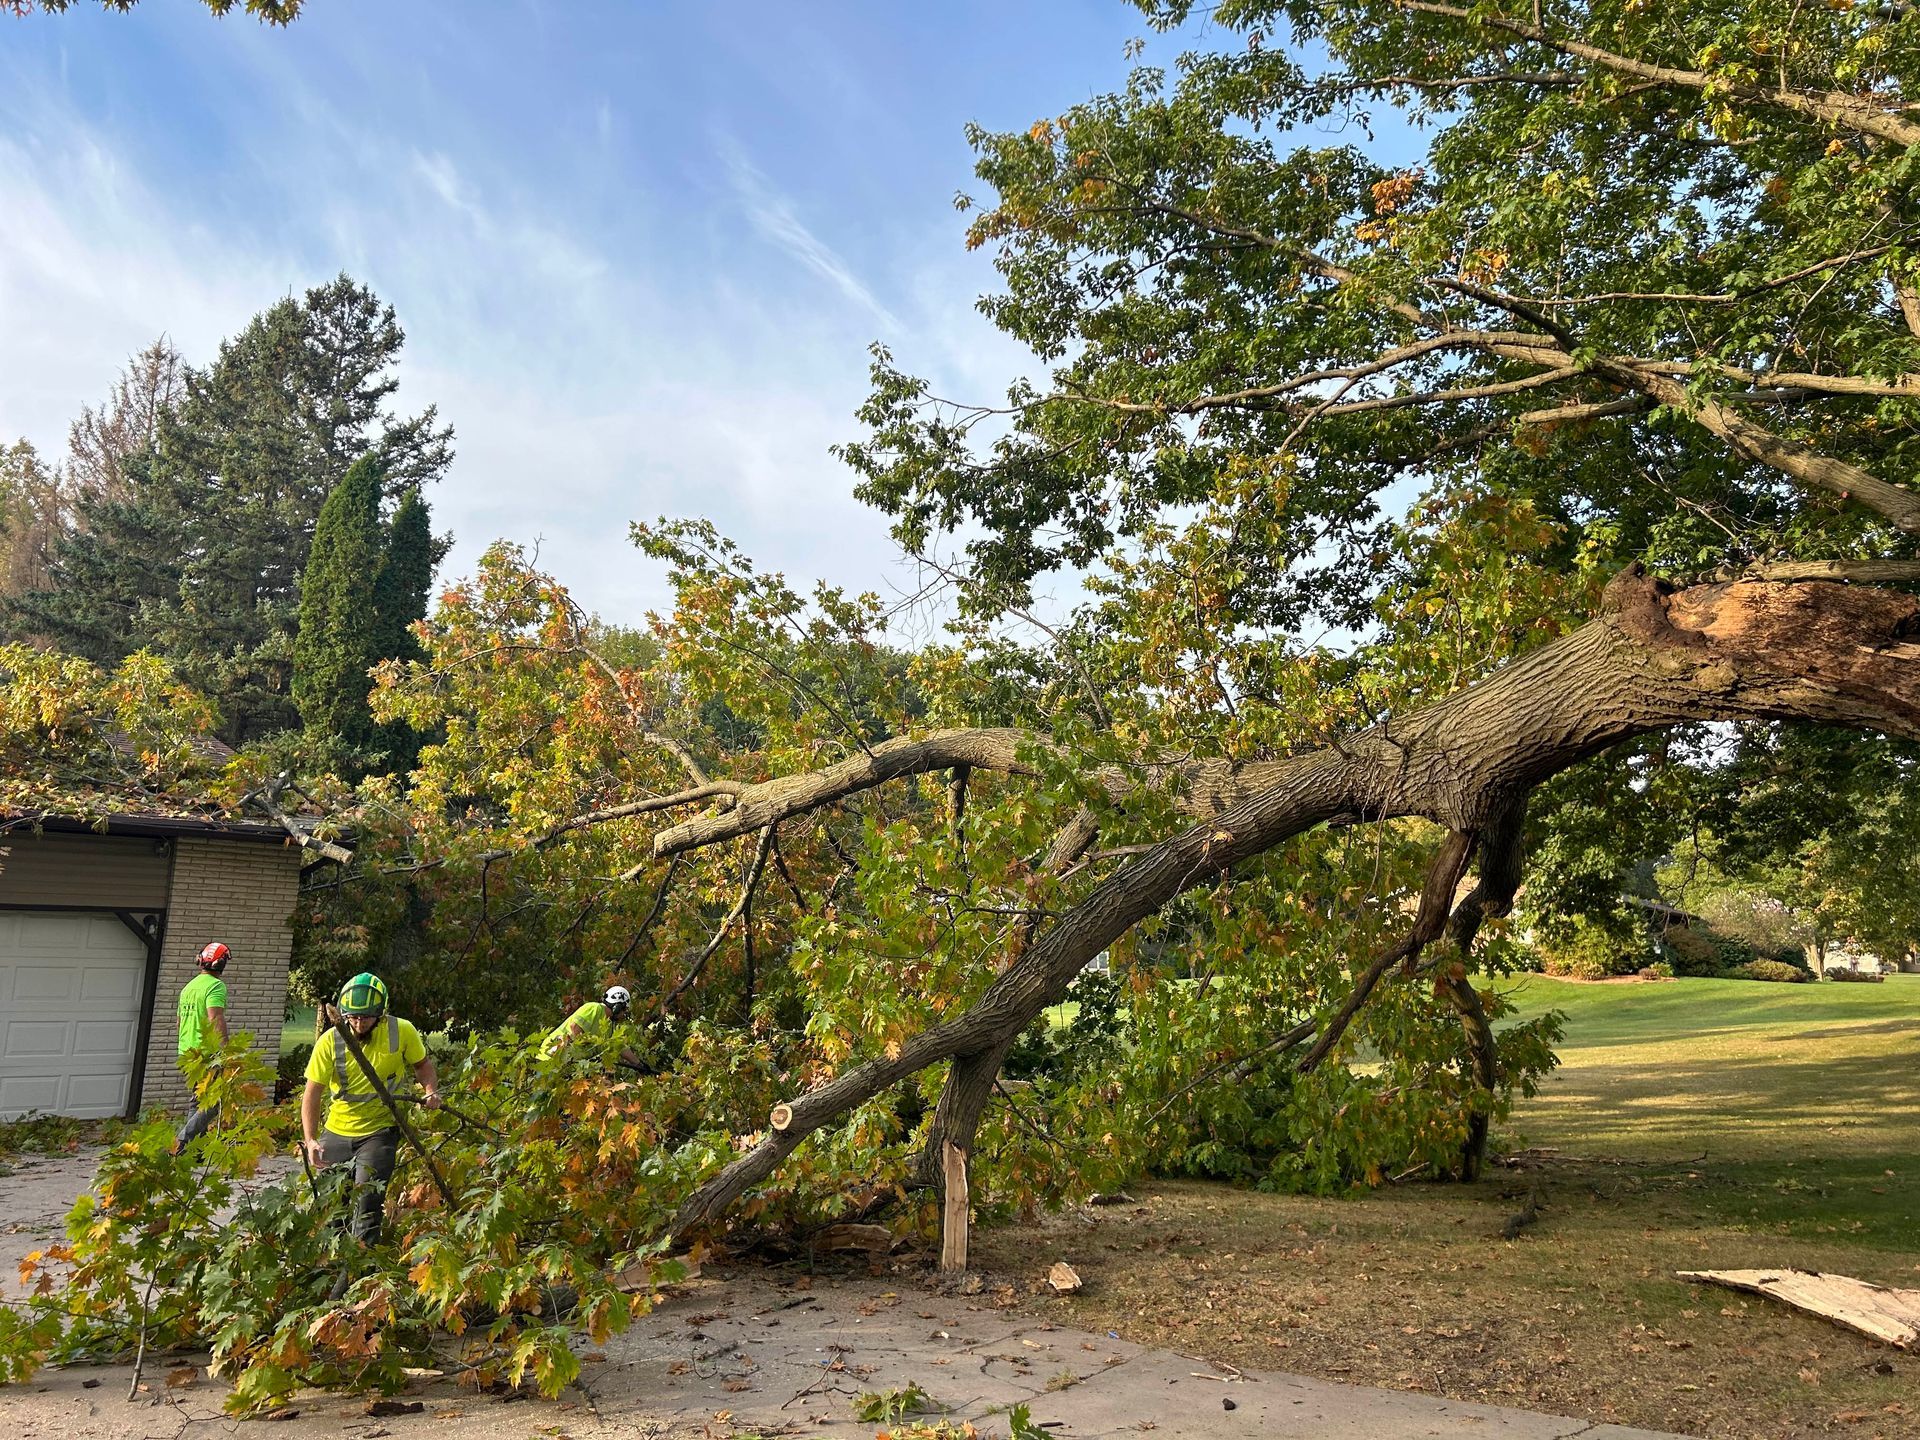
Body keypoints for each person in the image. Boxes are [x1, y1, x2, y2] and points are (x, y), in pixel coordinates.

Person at [301, 973, 440, 1265]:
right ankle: (330, 1268)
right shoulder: (330, 1041)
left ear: (381, 1013)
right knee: (332, 1208)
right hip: (336, 1131)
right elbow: (312, 1093)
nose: (359, 1024)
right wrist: (311, 1140)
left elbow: (423, 1066)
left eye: (366, 1018)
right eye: (352, 1017)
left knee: (367, 1203)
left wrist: (430, 1091)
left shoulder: (401, 1031)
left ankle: (361, 1272)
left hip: (380, 1131)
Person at [171, 941, 231, 1155]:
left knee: (197, 1103)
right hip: (207, 1054)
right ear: (222, 964)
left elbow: (179, 1022)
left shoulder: (188, 987)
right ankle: (182, 1139)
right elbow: (215, 1018)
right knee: (212, 1103)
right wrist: (225, 1050)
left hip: (186, 1053)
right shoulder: (215, 986)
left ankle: (193, 1153)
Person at [539, 984, 643, 1069]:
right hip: (549, 1058)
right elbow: (575, 1027)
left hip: (564, 1065)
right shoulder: (594, 1008)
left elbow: (619, 1046)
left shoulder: (609, 1025)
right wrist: (588, 1049)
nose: (623, 1015)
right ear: (617, 1007)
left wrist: (638, 1064)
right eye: (624, 1010)